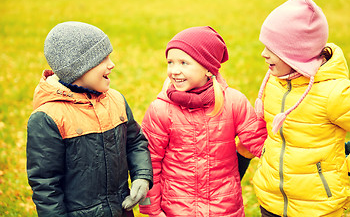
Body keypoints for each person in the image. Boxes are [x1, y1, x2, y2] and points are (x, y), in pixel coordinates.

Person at [252, 0, 350, 217]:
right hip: (271, 200)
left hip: (316, 207)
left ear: (295, 53)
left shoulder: (333, 93)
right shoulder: (276, 83)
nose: (263, 54)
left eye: (271, 48)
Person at [26, 21, 153, 217]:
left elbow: (135, 142)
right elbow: (46, 184)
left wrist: (142, 177)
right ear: (79, 67)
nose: (112, 64)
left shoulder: (116, 100)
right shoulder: (48, 117)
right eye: (103, 59)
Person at [138, 26, 267, 217]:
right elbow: (150, 163)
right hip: (176, 210)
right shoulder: (161, 109)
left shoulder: (233, 102)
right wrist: (153, 210)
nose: (174, 70)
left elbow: (259, 142)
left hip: (225, 208)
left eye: (183, 63)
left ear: (208, 68)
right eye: (170, 62)